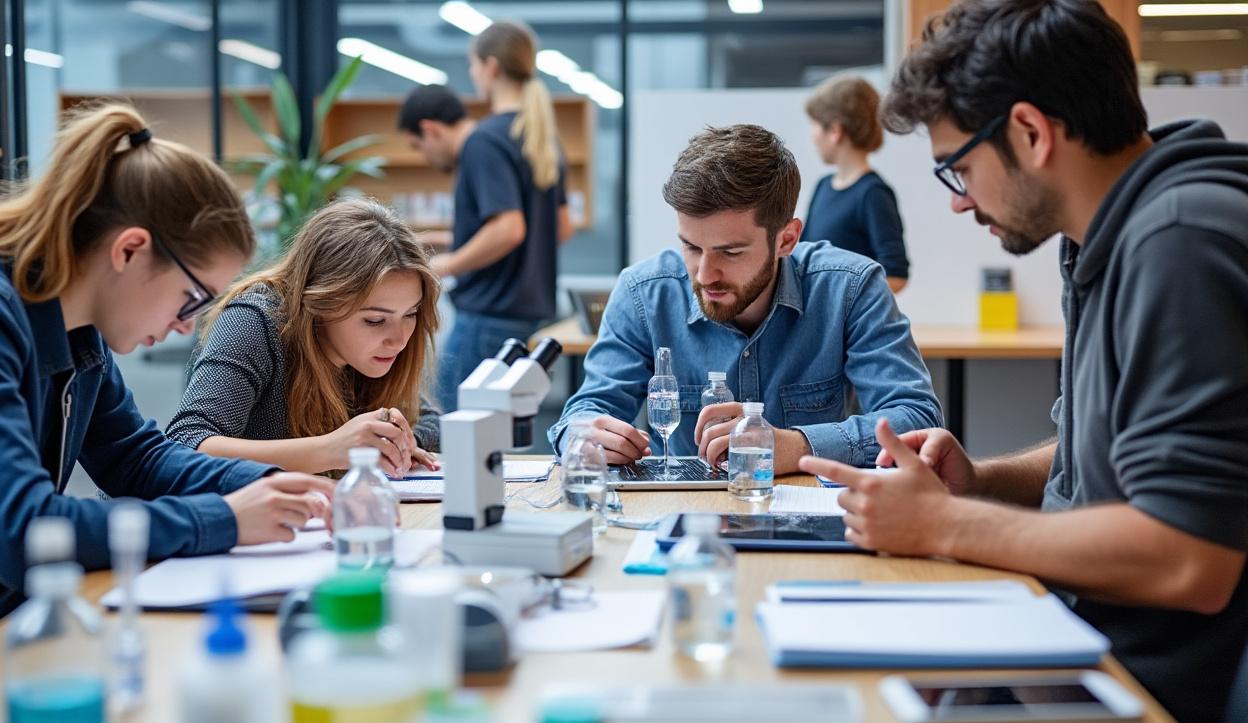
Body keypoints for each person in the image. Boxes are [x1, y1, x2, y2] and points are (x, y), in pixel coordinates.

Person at [797, 0, 1248, 723]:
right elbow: (1097, 456)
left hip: (1151, 699)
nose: (960, 201)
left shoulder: (1179, 243)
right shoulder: (1107, 238)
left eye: (960, 168)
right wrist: (981, 481)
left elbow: (1187, 557)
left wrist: (946, 524)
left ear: (1032, 133)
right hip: (1087, 641)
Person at [0, 104, 335, 636]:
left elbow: (137, 460)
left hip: (15, 622)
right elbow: (20, 529)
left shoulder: (79, 329)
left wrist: (276, 485)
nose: (185, 327)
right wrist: (224, 519)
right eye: (190, 298)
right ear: (130, 250)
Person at [548, 124, 941, 472]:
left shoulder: (851, 288)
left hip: (807, 522)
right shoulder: (643, 293)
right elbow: (584, 413)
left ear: (786, 239)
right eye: (691, 247)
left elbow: (917, 419)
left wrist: (795, 446)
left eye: (730, 252)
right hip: (684, 528)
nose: (704, 275)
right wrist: (581, 435)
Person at [167, 198, 441, 479]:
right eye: (375, 320)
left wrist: (400, 446)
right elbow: (186, 444)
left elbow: (432, 422)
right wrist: (331, 450)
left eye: (411, 314)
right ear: (321, 302)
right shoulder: (255, 321)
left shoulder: (369, 351)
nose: (398, 340)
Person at [397, 19, 572, 412]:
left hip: (488, 317)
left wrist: (446, 264)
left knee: (452, 432)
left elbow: (509, 228)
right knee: (495, 434)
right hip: (525, 315)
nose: (473, 75)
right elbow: (559, 227)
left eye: (473, 66)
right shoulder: (538, 136)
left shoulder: (484, 140)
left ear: (491, 67)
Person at [804, 75, 910, 293]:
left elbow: (896, 274)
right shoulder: (822, 186)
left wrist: (845, 303)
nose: (812, 136)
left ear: (835, 131)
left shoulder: (873, 194)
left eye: (814, 125)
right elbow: (802, 256)